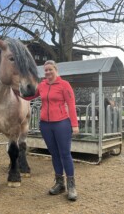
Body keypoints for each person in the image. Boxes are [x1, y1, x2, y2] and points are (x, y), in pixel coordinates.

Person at [23, 60, 79, 201]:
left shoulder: (64, 85)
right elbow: (29, 96)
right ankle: (60, 184)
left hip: (62, 124)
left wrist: (74, 124)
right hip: (46, 125)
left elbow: (71, 105)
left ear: (55, 70)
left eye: (50, 69)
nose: (47, 72)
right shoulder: (42, 85)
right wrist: (15, 90)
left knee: (65, 154)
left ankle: (71, 186)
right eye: (45, 70)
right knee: (54, 154)